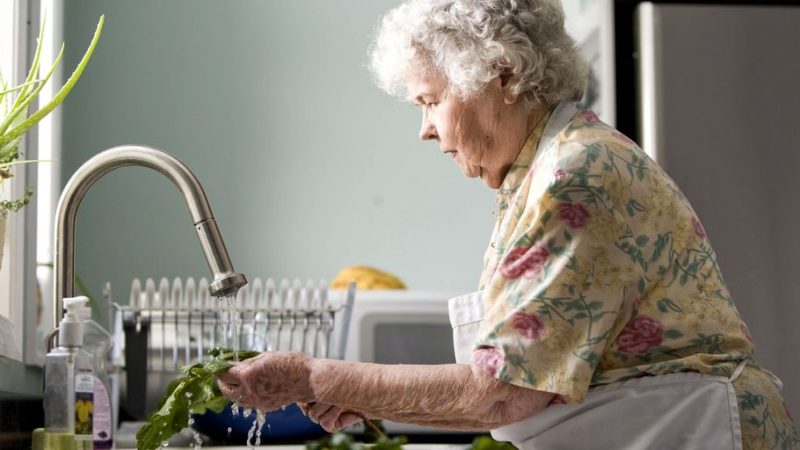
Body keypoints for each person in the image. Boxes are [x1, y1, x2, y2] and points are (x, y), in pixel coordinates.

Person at [217, 0, 799, 447]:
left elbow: (502, 396)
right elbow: (512, 385)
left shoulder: (578, 173)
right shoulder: (541, 173)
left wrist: (315, 378)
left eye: (429, 100)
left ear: (501, 75)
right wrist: (366, 396)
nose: (424, 129)